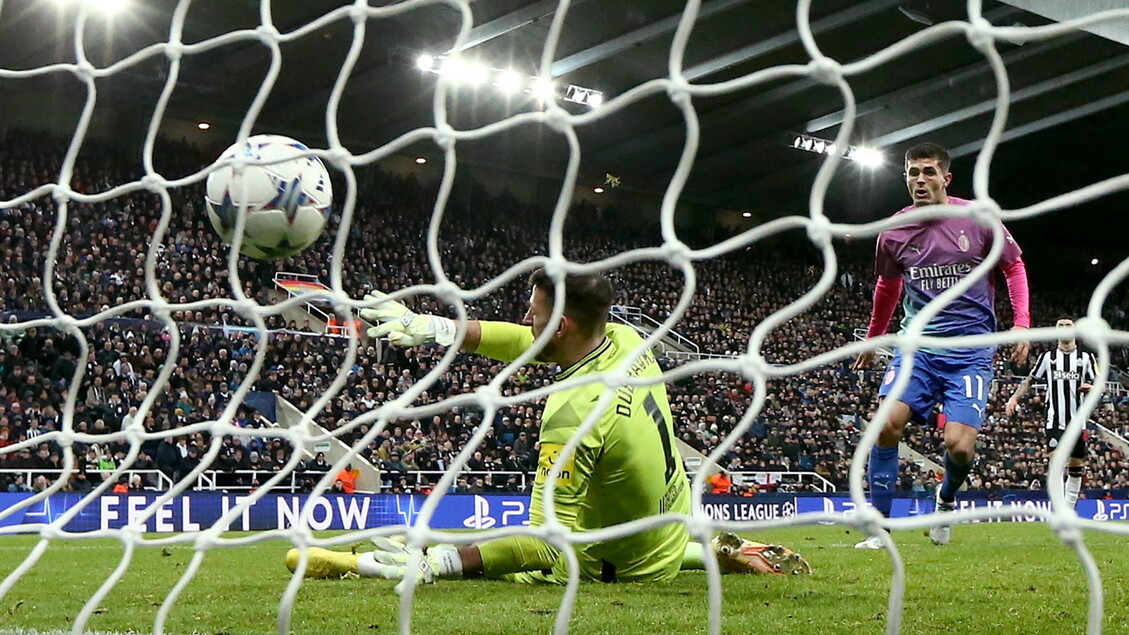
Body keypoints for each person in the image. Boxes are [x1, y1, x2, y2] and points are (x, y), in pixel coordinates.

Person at [286, 269, 810, 582]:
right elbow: (522, 341)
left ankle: (382, 564)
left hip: (624, 569)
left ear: (561, 324)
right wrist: (436, 327)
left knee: (490, 553)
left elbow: (543, 544)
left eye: (533, 311)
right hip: (668, 529)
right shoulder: (626, 341)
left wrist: (442, 563)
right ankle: (725, 552)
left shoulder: (572, 414)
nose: (526, 319)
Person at [852, 142, 1030, 549]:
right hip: (918, 349)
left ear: (946, 178)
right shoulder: (894, 230)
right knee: (885, 424)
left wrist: (1021, 323)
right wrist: (874, 334)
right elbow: (887, 286)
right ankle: (879, 527)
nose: (920, 180)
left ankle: (946, 500)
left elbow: (1013, 266)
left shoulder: (977, 218)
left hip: (970, 351)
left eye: (929, 172)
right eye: (913, 172)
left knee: (959, 447)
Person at [1006, 317, 1097, 508]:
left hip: (1078, 421)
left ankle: (1069, 509)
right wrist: (1014, 397)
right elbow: (1030, 380)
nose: (1064, 329)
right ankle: (1060, 508)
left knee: (1076, 467)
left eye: (1068, 325)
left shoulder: (1086, 358)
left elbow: (1100, 384)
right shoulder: (1048, 358)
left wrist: (1093, 388)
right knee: (1055, 464)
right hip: (1055, 420)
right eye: (1060, 326)